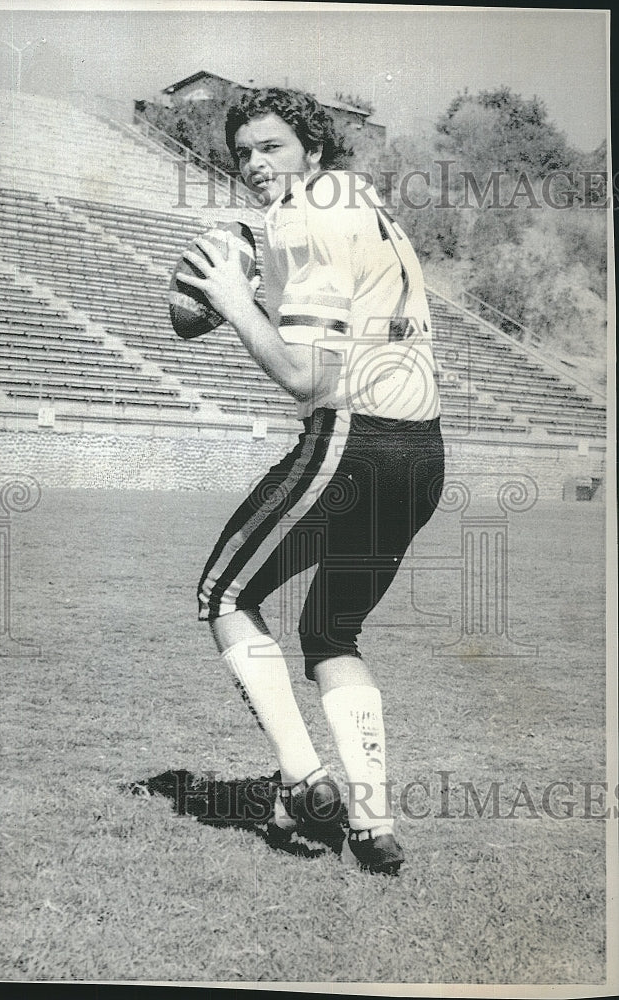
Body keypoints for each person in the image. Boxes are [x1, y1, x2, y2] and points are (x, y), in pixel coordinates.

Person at [177, 87, 444, 875]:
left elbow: (305, 375)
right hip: (422, 455)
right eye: (244, 154)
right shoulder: (365, 202)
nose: (256, 166)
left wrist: (232, 300)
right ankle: (374, 825)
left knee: (224, 596)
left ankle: (303, 779)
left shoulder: (303, 213)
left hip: (354, 442)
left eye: (273, 148)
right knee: (331, 631)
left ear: (314, 151)